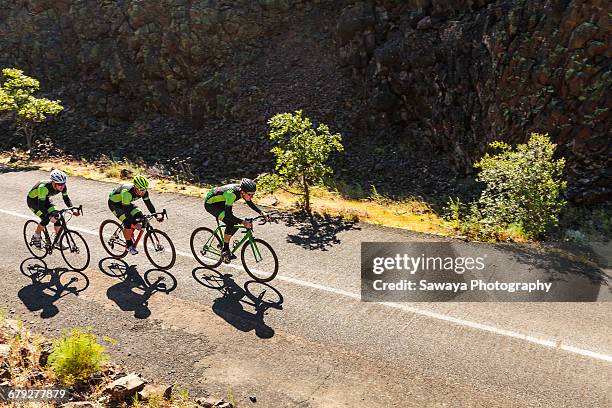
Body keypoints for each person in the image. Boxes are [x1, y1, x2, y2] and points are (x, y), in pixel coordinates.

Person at [205, 178, 269, 262]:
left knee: (235, 223)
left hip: (221, 201)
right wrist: (243, 222)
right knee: (230, 222)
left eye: (253, 194)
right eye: (250, 194)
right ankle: (225, 250)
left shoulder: (243, 192)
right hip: (211, 204)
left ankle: (223, 245)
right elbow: (228, 215)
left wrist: (261, 212)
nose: (252, 197)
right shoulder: (231, 195)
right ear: (243, 192)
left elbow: (249, 201)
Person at [108, 175, 162, 255]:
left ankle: (130, 233)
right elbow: (127, 212)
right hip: (115, 204)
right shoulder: (127, 193)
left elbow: (148, 204)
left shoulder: (144, 192)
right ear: (136, 188)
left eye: (145, 189)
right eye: (141, 189)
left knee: (140, 216)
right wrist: (134, 224)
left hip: (126, 203)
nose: (143, 191)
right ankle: (129, 246)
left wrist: (155, 215)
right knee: (127, 222)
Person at [26, 169, 80, 248]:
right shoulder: (43, 188)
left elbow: (66, 199)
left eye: (63, 184)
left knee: (58, 217)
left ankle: (58, 240)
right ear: (53, 183)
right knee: (46, 219)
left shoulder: (63, 187)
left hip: (45, 199)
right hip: (33, 202)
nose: (62, 186)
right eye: (60, 184)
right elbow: (41, 206)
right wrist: (49, 215)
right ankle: (36, 236)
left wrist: (73, 209)